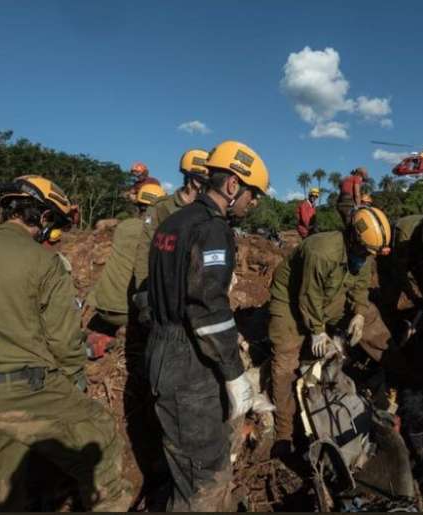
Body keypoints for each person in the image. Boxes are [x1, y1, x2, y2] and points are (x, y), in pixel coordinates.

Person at [0, 175, 131, 511]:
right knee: (100, 434)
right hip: (24, 389)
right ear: (42, 218)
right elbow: (64, 341)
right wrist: (75, 382)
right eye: (52, 221)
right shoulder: (46, 264)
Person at [146, 140, 272, 511]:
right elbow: (208, 307)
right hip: (187, 361)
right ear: (233, 186)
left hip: (162, 347)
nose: (255, 203)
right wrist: (234, 374)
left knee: (185, 460)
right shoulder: (211, 229)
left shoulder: (173, 221)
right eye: (254, 194)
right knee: (205, 475)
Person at [268, 206, 392, 458]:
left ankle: (397, 371)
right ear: (353, 239)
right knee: (284, 363)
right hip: (290, 302)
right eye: (366, 251)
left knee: (369, 317)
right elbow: (307, 295)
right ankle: (284, 434)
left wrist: (357, 312)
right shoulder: (321, 251)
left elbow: (359, 285)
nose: (368, 257)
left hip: (328, 298)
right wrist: (317, 331)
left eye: (372, 254)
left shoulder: (363, 255)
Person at [85, 182, 165, 359]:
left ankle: (104, 334)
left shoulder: (124, 226)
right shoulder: (157, 233)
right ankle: (118, 340)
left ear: (138, 205)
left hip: (101, 306)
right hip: (125, 314)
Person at [132, 149, 209, 317]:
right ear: (195, 180)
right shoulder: (162, 208)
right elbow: (145, 249)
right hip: (164, 289)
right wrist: (144, 292)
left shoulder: (207, 212)